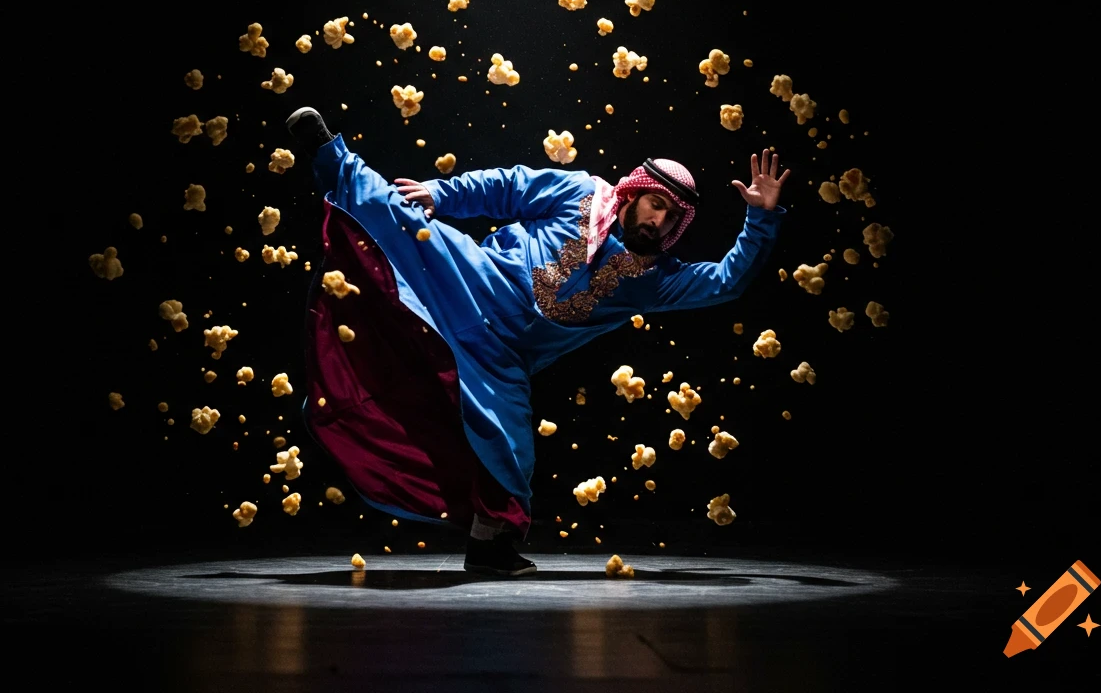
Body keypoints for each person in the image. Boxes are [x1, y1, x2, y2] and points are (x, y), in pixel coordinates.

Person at [286, 106, 790, 577]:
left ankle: (488, 549)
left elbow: (727, 281)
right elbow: (506, 187)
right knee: (404, 218)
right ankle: (332, 155)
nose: (659, 220)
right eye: (655, 205)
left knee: (512, 457)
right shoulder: (580, 192)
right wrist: (443, 195)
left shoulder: (655, 279)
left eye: (671, 218)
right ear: (633, 194)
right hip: (470, 278)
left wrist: (761, 218)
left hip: (501, 359)